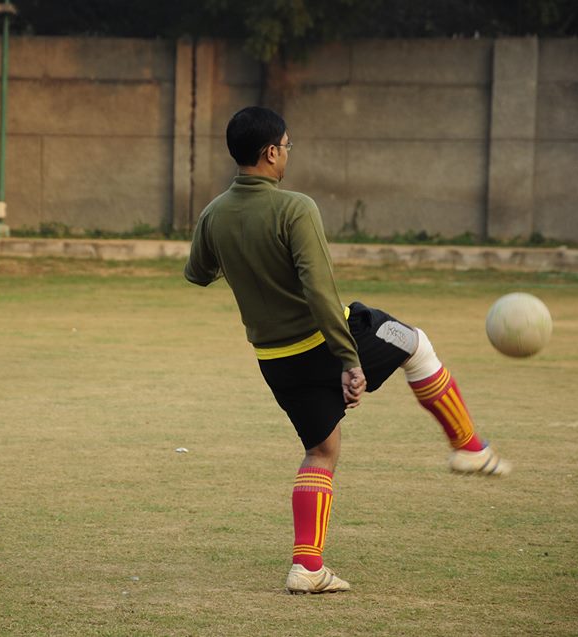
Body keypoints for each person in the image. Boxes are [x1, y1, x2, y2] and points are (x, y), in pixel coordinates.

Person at [184, 106, 510, 595]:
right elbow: (318, 290)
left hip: (276, 360)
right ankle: (468, 448)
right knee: (415, 343)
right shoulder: (295, 208)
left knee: (321, 451)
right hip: (326, 340)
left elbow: (197, 273)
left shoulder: (214, 214)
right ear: (270, 152)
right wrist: (349, 361)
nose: (288, 154)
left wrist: (238, 256)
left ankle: (307, 567)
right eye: (287, 147)